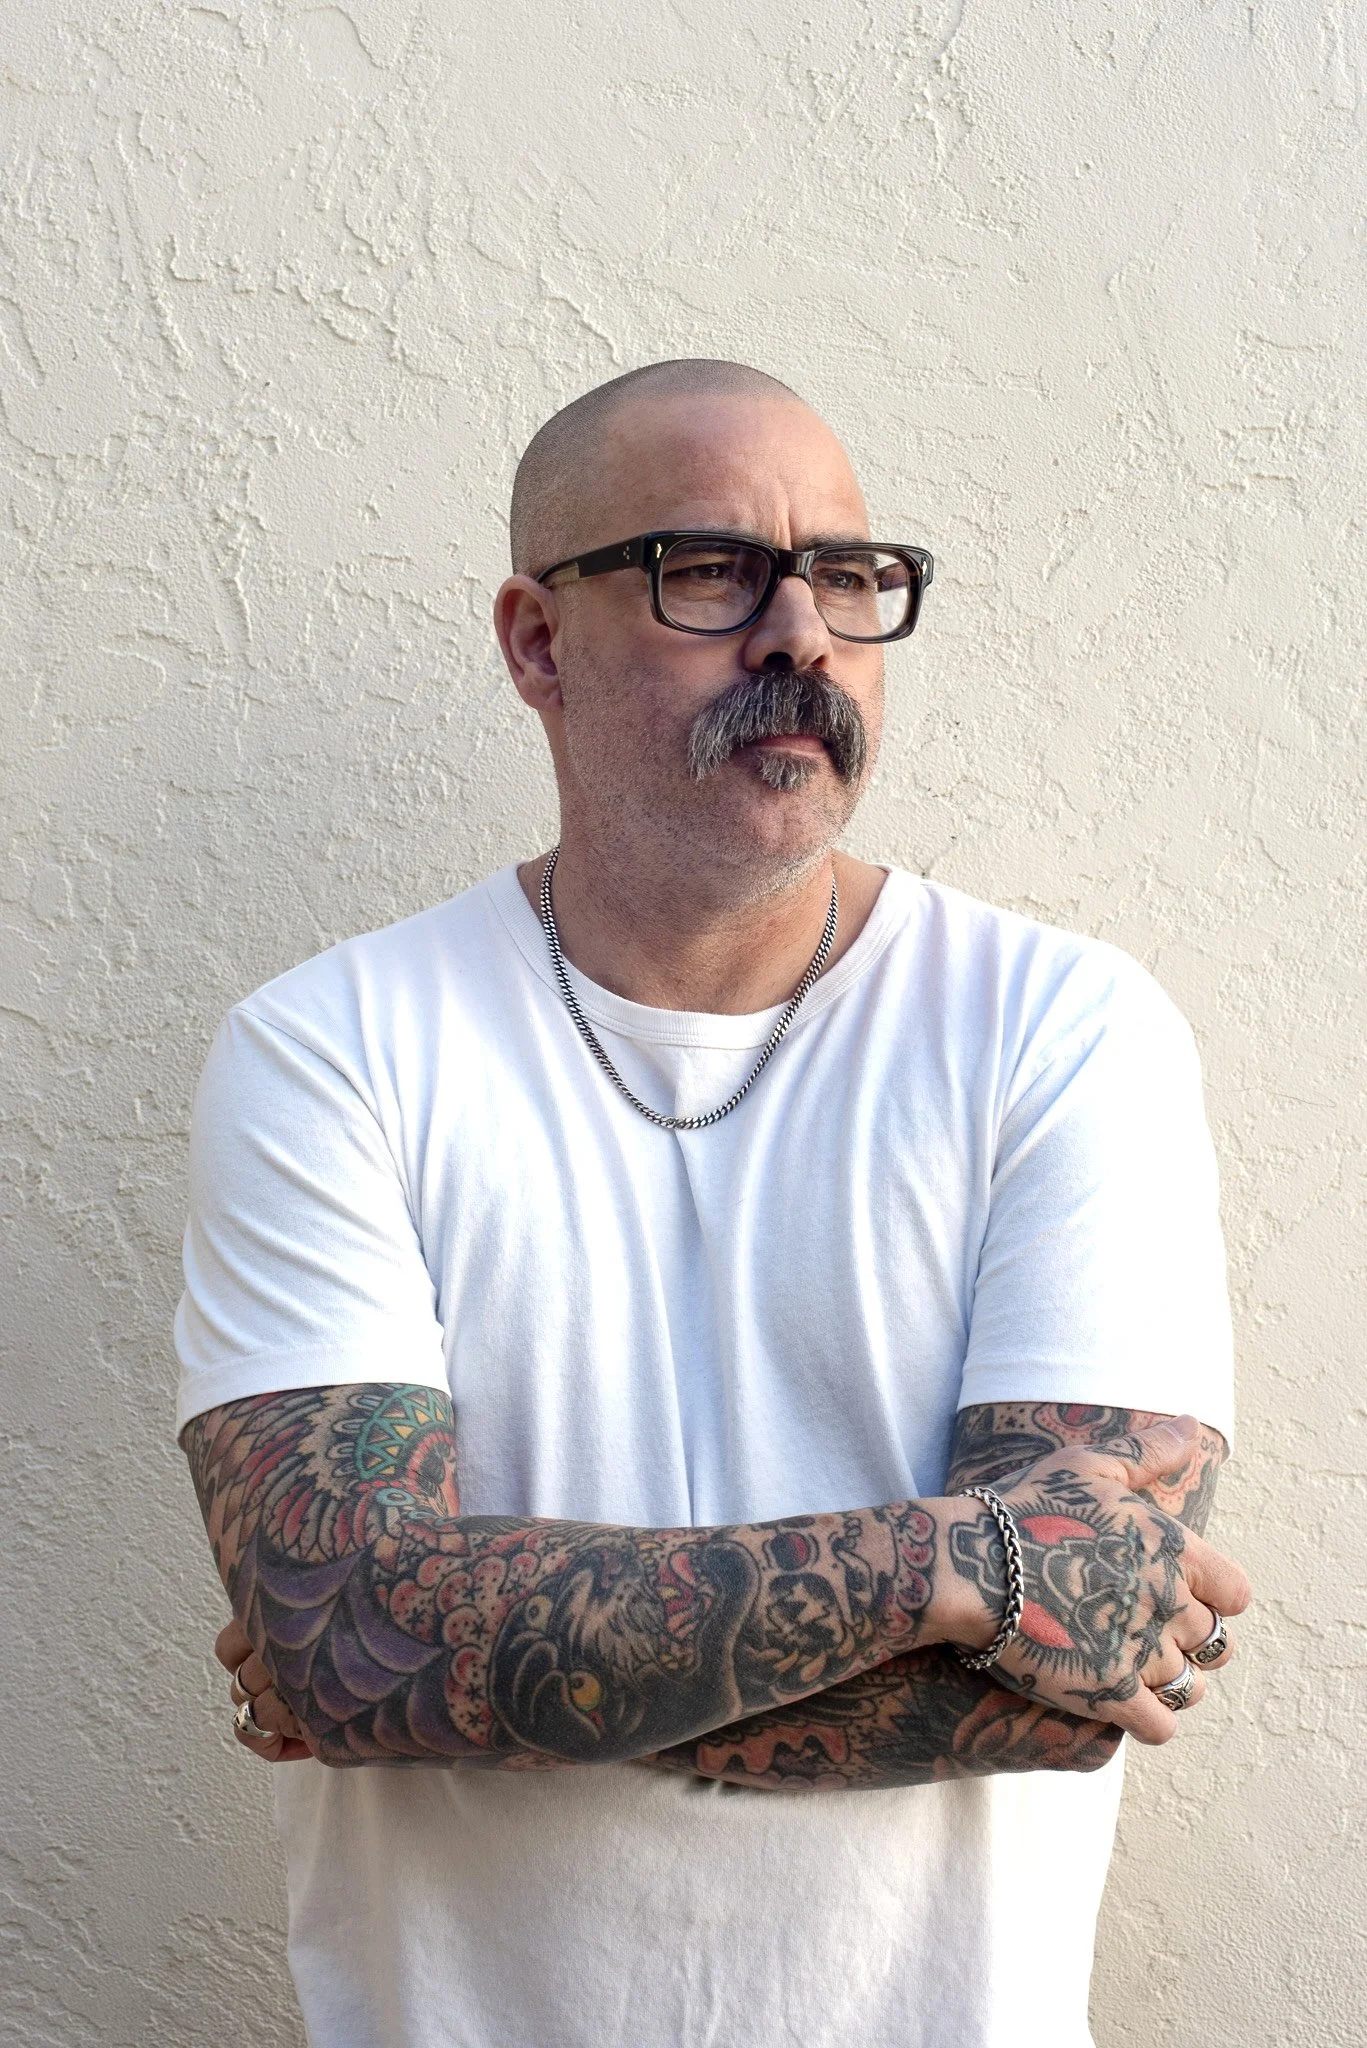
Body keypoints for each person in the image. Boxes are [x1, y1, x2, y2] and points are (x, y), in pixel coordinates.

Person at [177, 358, 1250, 2048]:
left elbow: (1082, 1671)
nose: (801, 636)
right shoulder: (336, 1048)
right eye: (709, 571)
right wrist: (951, 1562)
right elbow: (351, 1637)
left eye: (845, 574)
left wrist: (438, 1669)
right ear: (539, 641)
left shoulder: (1060, 1029)